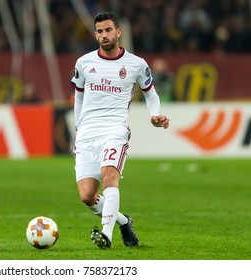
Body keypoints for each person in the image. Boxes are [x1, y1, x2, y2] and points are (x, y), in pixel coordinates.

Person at [70, 11, 170, 249]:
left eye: (108, 30)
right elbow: (79, 98)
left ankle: (107, 234)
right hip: (87, 133)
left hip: (115, 130)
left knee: (109, 177)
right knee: (87, 197)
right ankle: (124, 221)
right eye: (100, 32)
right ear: (95, 35)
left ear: (118, 32)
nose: (104, 35)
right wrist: (78, 129)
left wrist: (153, 115)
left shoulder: (136, 64)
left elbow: (151, 94)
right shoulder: (84, 63)